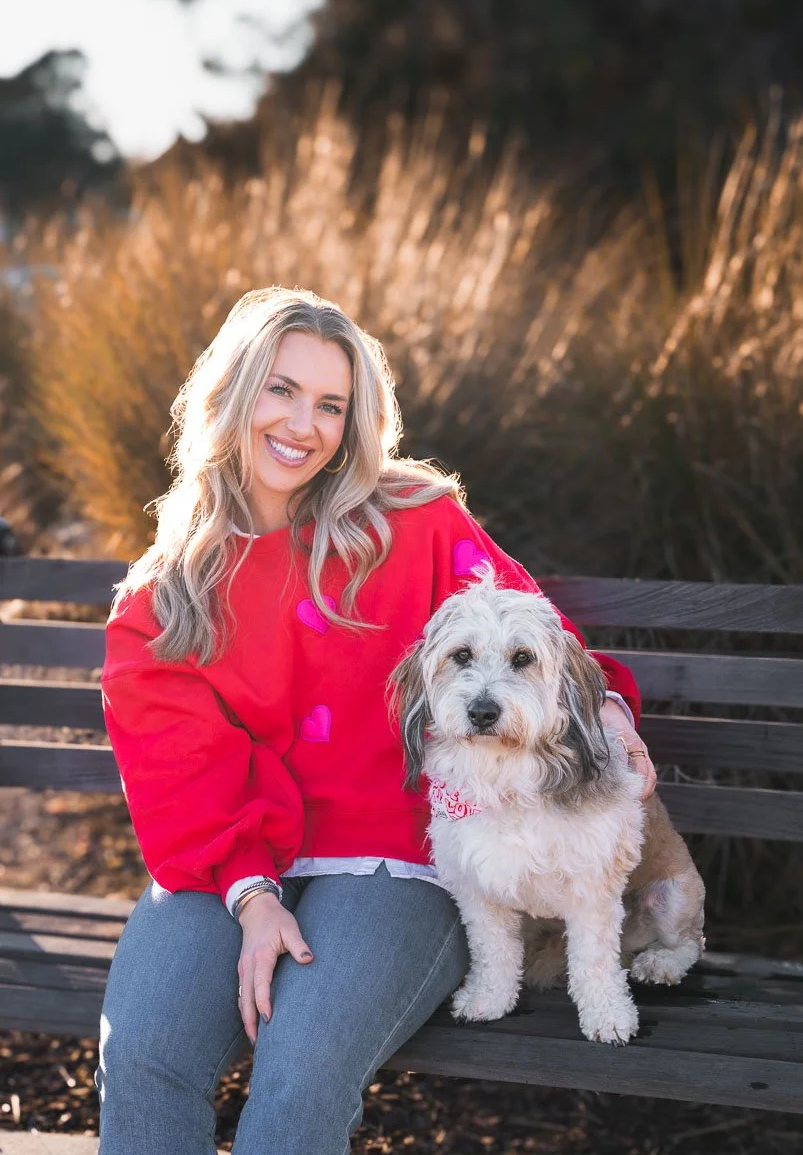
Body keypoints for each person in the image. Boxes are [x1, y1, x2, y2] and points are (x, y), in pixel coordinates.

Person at [96, 286, 655, 1155]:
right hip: (227, 863)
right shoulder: (161, 597)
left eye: (331, 405)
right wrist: (251, 898)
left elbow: (534, 634)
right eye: (280, 389)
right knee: (143, 1057)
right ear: (232, 393)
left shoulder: (415, 523)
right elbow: (179, 767)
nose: (302, 424)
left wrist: (609, 713)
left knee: (298, 1077)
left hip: (399, 859)